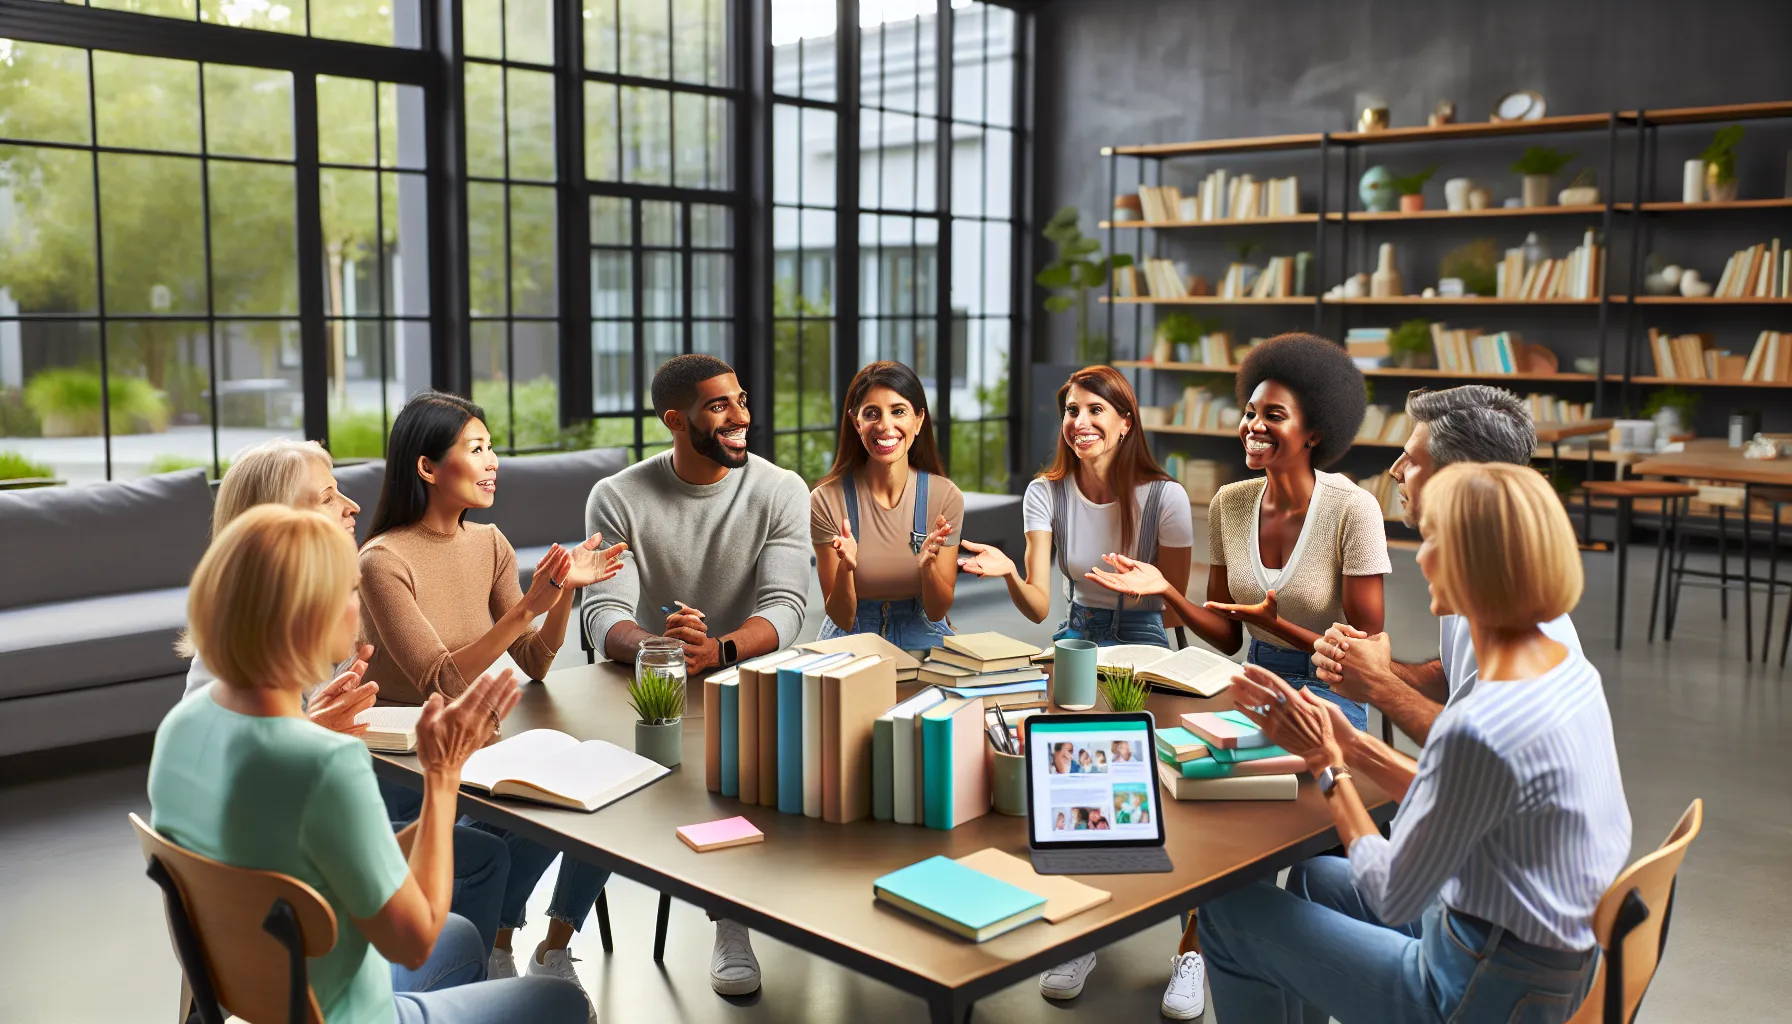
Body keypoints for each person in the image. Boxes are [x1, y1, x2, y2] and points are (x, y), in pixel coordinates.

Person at [1198, 462, 1630, 1023]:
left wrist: (1329, 768)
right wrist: (1351, 743)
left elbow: (1391, 892)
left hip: (1474, 990)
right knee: (1318, 876)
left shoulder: (1479, 725)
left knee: (1228, 916)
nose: (1419, 557)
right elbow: (1467, 794)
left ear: (1478, 565)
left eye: (1432, 541)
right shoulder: (1567, 672)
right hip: (1554, 961)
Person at [147, 505, 586, 1024]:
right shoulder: (327, 763)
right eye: (350, 593)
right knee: (558, 1003)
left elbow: (314, 842)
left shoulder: (183, 725)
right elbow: (414, 939)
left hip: (262, 993)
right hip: (351, 1013)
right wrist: (442, 777)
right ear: (308, 615)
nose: (359, 611)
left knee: (465, 937)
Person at [1069, 334, 1390, 1016]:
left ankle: (1238, 953)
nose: (1252, 425)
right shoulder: (1234, 503)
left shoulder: (1352, 509)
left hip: (1334, 688)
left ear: (1315, 432)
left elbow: (1365, 648)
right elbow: (1227, 631)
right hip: (1257, 680)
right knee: (1191, 793)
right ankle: (1203, 943)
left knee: (1287, 838)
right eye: (1249, 412)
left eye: (1273, 415)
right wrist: (1167, 594)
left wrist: (1284, 627)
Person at [176, 437, 514, 959]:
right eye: (328, 496)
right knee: (477, 878)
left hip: (284, 884)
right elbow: (226, 813)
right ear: (280, 527)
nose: (352, 506)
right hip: (293, 925)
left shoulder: (252, 659)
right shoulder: (246, 680)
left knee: (487, 831)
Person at [356, 391, 626, 1015]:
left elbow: (533, 660)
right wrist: (531, 605)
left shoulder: (491, 542)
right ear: (427, 467)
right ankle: (489, 960)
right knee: (507, 837)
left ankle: (547, 949)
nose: (493, 461)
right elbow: (439, 678)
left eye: (491, 447)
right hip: (405, 766)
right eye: (476, 449)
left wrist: (561, 594)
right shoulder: (382, 560)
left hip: (474, 743)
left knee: (599, 799)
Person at [581, 354, 810, 996]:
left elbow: (786, 608)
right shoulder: (617, 496)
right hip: (649, 689)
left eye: (741, 399)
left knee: (733, 773)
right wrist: (665, 651)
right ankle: (550, 937)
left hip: (746, 686)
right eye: (719, 406)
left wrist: (720, 651)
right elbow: (602, 616)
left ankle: (729, 921)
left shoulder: (781, 490)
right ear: (674, 420)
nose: (741, 417)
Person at [1311, 385, 1583, 745]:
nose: (1395, 471)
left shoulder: (1504, 610)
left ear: (1457, 477)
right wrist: (1374, 667)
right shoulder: (1480, 570)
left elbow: (1475, 748)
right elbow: (1456, 679)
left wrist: (1378, 685)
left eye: (1412, 460)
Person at [959, 365, 1192, 647]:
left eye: (1095, 410)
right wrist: (1010, 571)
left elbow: (1176, 607)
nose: (1080, 422)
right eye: (1072, 411)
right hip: (1077, 633)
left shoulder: (1166, 497)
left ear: (1125, 423)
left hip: (1142, 636)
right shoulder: (1045, 493)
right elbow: (1038, 609)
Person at [811, 361, 963, 650]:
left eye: (898, 411)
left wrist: (929, 567)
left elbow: (936, 611)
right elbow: (842, 617)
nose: (884, 426)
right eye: (871, 414)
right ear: (857, 423)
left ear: (918, 420)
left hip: (923, 630)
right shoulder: (826, 500)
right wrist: (846, 568)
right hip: (851, 635)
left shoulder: (945, 497)